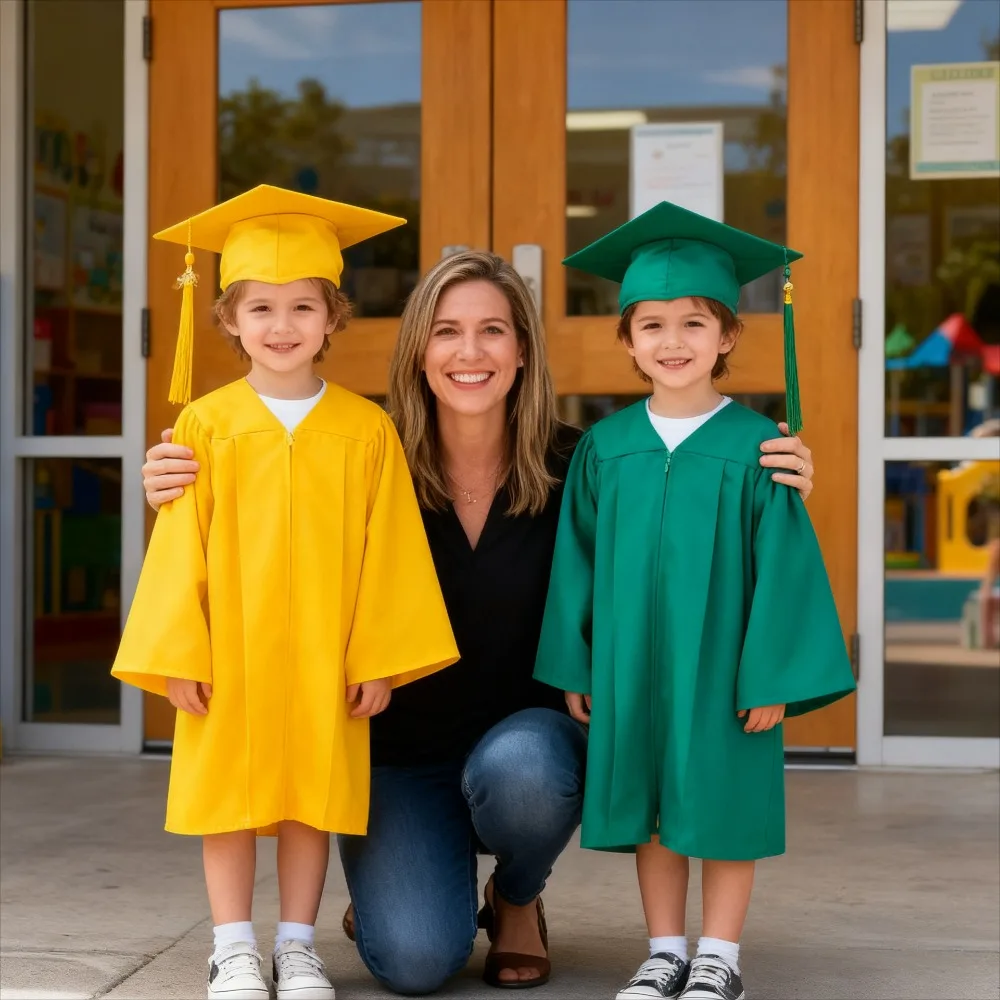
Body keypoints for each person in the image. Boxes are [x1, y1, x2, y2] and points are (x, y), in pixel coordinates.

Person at [140, 245, 818, 993]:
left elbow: (679, 538)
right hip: (399, 749)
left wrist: (769, 483)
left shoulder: (587, 464)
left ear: (523, 349)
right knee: (417, 962)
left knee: (526, 770)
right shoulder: (362, 450)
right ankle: (406, 891)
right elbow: (269, 511)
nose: (470, 352)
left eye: (492, 330)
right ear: (418, 350)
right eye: (446, 331)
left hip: (525, 748)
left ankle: (516, 897)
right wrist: (179, 478)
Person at [112, 185, 458, 1000]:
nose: (281, 326)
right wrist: (174, 652)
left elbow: (392, 553)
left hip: (327, 660)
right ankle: (233, 947)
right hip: (226, 656)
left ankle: (297, 944)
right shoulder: (204, 423)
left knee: (312, 798)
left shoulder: (366, 429)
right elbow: (177, 546)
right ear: (227, 320)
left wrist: (380, 656)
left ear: (334, 318)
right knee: (227, 802)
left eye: (303, 307)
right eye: (259, 308)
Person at [533, 201, 856, 1000]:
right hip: (632, 665)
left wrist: (774, 675)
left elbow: (784, 566)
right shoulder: (605, 448)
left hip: (726, 670)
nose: (672, 342)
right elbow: (572, 562)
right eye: (651, 325)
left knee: (723, 803)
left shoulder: (758, 447)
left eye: (693, 323)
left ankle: (720, 956)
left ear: (728, 336)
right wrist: (576, 661)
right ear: (627, 339)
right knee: (649, 805)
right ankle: (664, 949)